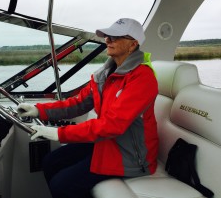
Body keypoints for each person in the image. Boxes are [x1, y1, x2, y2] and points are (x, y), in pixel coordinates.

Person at [17, 18, 159, 198]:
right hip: (106, 142)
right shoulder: (106, 74)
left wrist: (59, 133)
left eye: (115, 37)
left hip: (130, 156)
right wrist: (39, 110)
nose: (108, 40)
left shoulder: (142, 78)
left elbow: (113, 125)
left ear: (132, 45)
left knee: (62, 185)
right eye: (107, 36)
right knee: (50, 162)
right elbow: (78, 103)